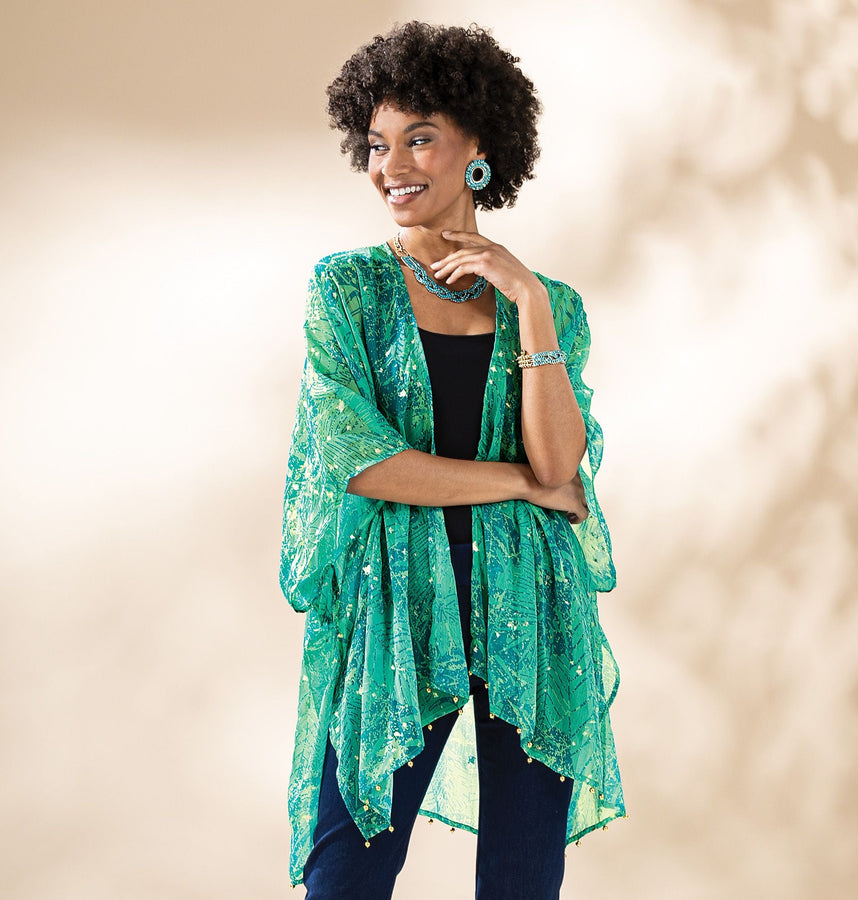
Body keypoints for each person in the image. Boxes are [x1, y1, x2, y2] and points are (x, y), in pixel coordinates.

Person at [279, 21, 624, 899]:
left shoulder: (550, 304)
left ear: (480, 146)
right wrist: (518, 485)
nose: (391, 166)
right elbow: (365, 464)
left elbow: (561, 461)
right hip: (398, 603)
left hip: (532, 606)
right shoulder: (349, 289)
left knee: (522, 879)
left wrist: (529, 302)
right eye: (376, 144)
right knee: (345, 872)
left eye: (419, 138)